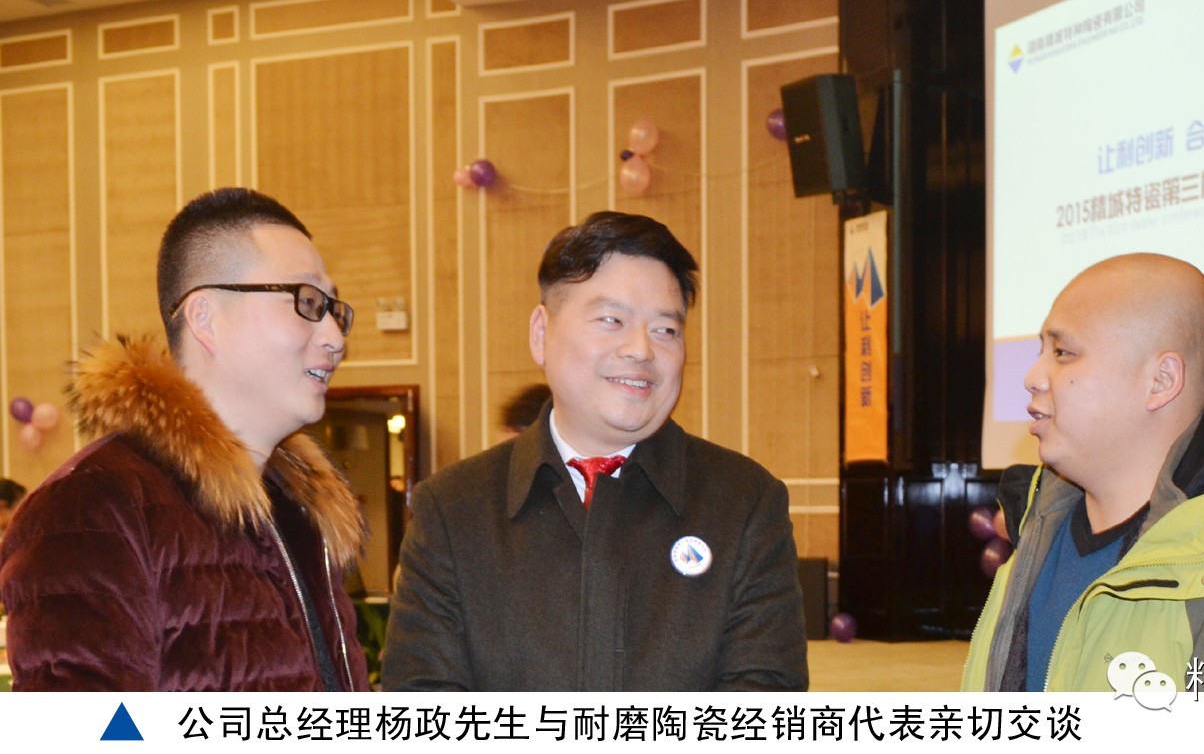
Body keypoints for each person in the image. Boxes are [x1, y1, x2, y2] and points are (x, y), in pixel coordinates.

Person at [384, 210, 808, 691]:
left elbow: (765, 699)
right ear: (541, 334)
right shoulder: (452, 510)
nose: (641, 350)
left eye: (666, 330)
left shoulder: (744, 502)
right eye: (612, 320)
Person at [0, 187, 368, 691]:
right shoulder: (92, 506)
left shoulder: (297, 507)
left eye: (333, 309)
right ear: (205, 318)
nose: (335, 338)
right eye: (306, 302)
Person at [962, 253, 1204, 692]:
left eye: (1063, 353)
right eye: (1041, 352)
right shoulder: (1038, 532)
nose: (1033, 377)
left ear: (1162, 381)